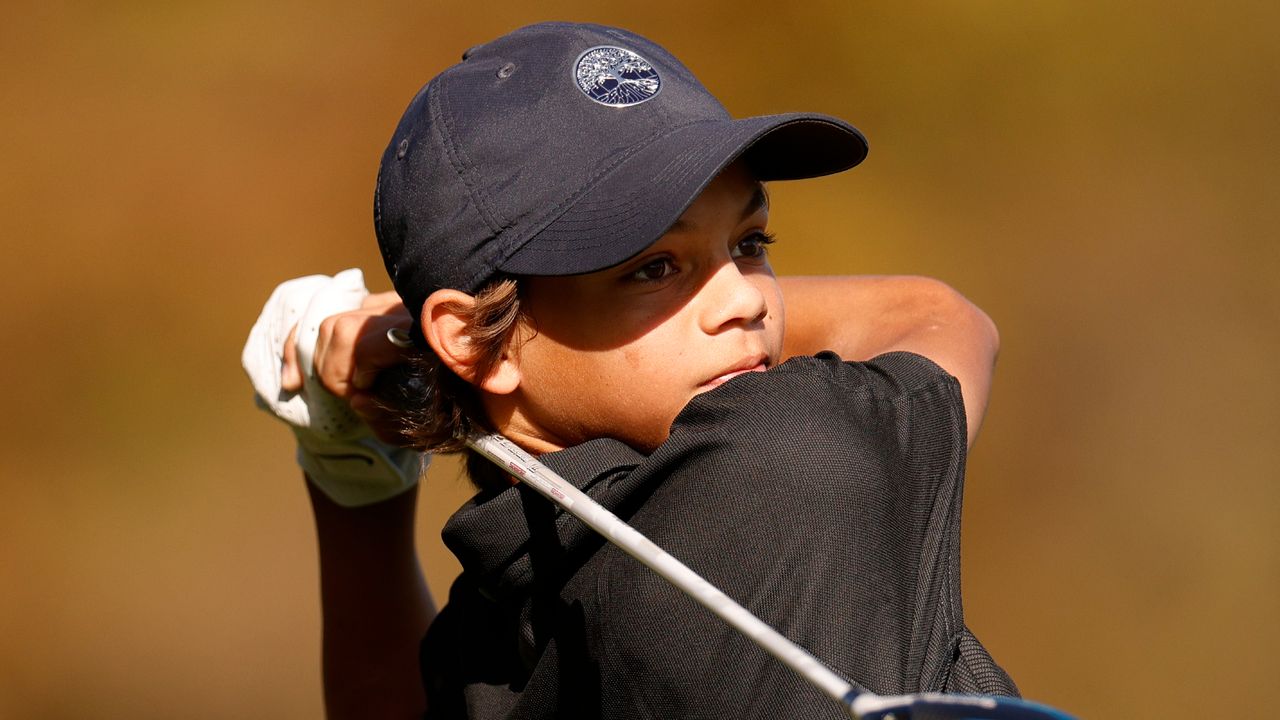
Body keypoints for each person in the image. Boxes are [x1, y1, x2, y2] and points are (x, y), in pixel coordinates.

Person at [244, 21, 1015, 719]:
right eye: (654, 266)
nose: (744, 301)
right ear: (477, 344)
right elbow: (934, 315)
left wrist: (350, 477)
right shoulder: (777, 465)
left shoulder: (521, 591)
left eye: (750, 243)